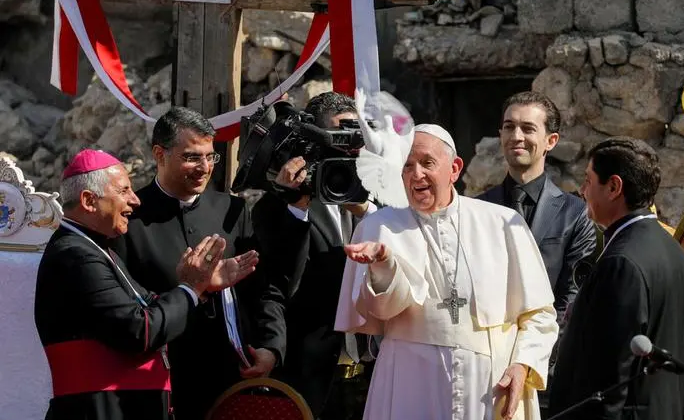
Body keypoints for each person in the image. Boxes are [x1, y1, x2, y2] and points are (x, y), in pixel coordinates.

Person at [334, 124, 558, 420]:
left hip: (489, 384)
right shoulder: (379, 227)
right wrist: (383, 264)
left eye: (427, 163)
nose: (416, 175)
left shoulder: (503, 223)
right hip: (409, 381)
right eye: (407, 166)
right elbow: (381, 311)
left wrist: (523, 364)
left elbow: (539, 314)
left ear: (454, 168)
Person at [35, 149, 258, 420]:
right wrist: (191, 288)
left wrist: (203, 288)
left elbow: (148, 305)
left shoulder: (96, 248)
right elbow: (139, 329)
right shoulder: (76, 255)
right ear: (88, 200)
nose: (135, 200)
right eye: (124, 191)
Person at [111, 107, 287, 420]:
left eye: (210, 157)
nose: (204, 167)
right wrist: (196, 287)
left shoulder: (231, 210)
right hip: (163, 387)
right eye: (192, 157)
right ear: (159, 154)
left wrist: (271, 347)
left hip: (234, 381)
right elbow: (128, 312)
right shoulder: (131, 221)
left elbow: (265, 291)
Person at [549, 137, 684, 420]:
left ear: (614, 187)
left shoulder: (621, 263)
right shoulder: (673, 250)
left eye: (589, 181)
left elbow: (610, 375)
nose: (582, 191)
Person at [252, 91, 377, 419]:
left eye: (356, 134)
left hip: (373, 371)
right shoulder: (276, 205)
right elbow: (280, 283)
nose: (351, 145)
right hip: (310, 374)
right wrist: (296, 208)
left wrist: (367, 211)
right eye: (341, 134)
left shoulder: (377, 196)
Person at [478, 92, 596, 326]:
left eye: (528, 128)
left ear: (551, 141)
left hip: (547, 353)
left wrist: (540, 356)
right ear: (500, 134)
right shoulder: (477, 209)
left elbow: (572, 298)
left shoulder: (575, 214)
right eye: (509, 127)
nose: (516, 136)